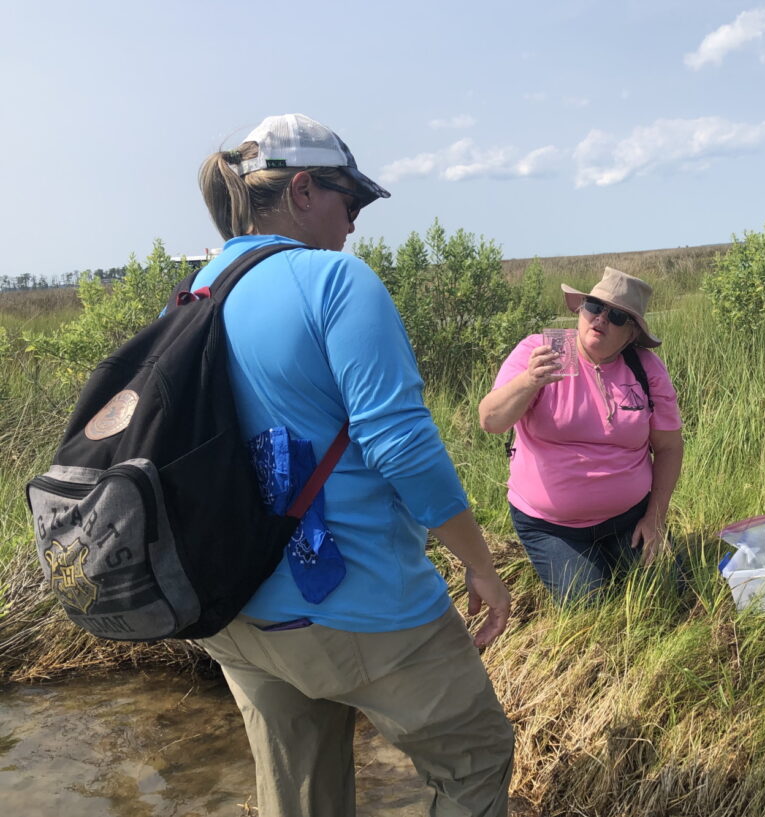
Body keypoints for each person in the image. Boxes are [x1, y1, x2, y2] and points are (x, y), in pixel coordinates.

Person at [190, 113, 513, 817]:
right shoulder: (336, 280)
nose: (355, 224)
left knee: (301, 797)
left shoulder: (198, 290)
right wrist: (480, 565)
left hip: (234, 612)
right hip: (361, 605)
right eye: (352, 201)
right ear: (303, 189)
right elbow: (400, 442)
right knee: (477, 760)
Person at [478, 267, 684, 604]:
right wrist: (529, 381)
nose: (601, 319)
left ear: (631, 333)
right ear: (580, 310)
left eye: (616, 316)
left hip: (627, 516)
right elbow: (490, 421)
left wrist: (655, 519)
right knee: (590, 605)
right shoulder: (542, 352)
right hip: (551, 524)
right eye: (593, 306)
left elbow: (669, 447)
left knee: (665, 592)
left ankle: (621, 553)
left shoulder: (646, 369)